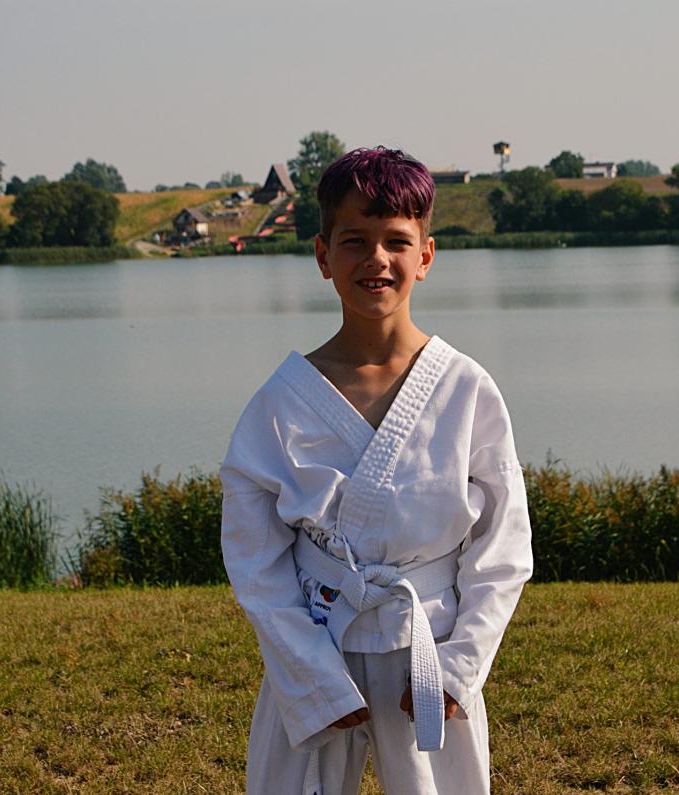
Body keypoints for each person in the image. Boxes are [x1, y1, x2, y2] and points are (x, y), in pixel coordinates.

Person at [220, 146, 533, 794]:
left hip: (429, 647)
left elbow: (502, 550)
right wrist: (310, 678)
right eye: (355, 241)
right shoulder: (280, 403)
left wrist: (460, 667)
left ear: (426, 255)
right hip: (317, 642)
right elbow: (255, 562)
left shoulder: (466, 389)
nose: (377, 259)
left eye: (396, 241)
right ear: (322, 255)